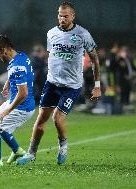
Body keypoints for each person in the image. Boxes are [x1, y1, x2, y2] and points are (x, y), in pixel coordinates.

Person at [17, 1, 101, 165]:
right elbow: (53, 55)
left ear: (73, 16)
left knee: (57, 118)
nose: (62, 19)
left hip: (71, 86)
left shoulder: (83, 34)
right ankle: (31, 154)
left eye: (65, 16)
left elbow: (95, 60)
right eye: (60, 15)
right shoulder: (51, 33)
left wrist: (97, 86)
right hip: (52, 83)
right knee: (41, 119)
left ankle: (63, 146)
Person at [0, 35, 35, 167]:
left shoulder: (17, 67)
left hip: (21, 108)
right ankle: (17, 151)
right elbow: (21, 74)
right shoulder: (21, 56)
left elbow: (23, 93)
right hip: (14, 102)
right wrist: (8, 83)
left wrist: (7, 112)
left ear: (4, 49)